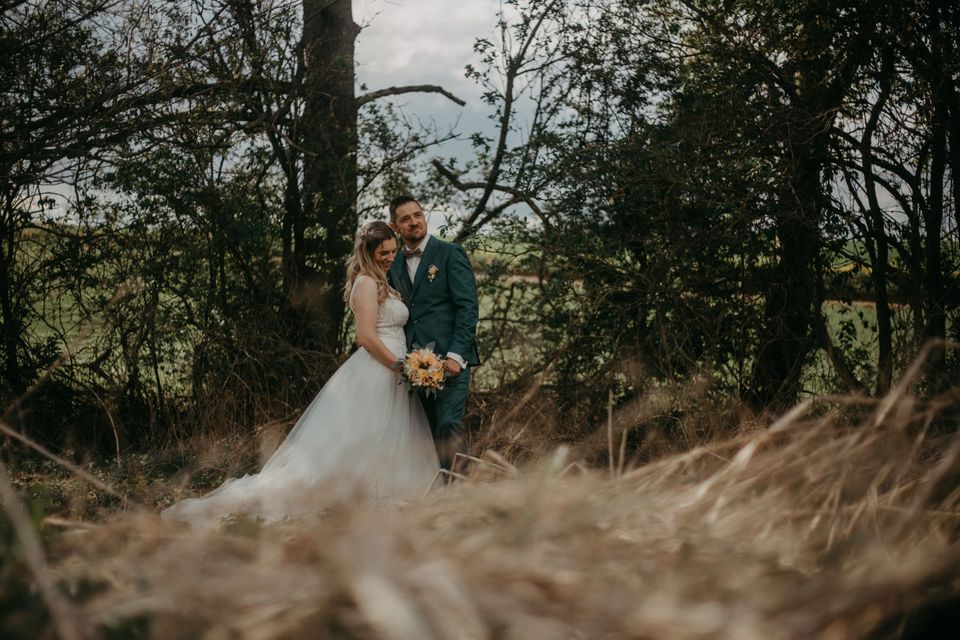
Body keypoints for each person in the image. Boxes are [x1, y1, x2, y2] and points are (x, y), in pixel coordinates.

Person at [162, 221, 439, 526]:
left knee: (384, 437)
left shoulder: (383, 281)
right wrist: (400, 365)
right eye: (383, 252)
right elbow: (366, 337)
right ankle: (346, 497)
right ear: (368, 252)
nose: (390, 256)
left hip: (394, 371)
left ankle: (385, 495)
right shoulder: (367, 284)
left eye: (393, 250)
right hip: (379, 369)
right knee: (360, 439)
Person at [387, 196, 480, 474]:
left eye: (418, 214)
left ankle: (459, 491)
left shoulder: (450, 253)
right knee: (425, 434)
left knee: (448, 424)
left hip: (450, 361)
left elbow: (468, 306)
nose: (414, 221)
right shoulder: (393, 264)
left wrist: (456, 355)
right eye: (406, 218)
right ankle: (436, 494)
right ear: (395, 227)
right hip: (414, 365)